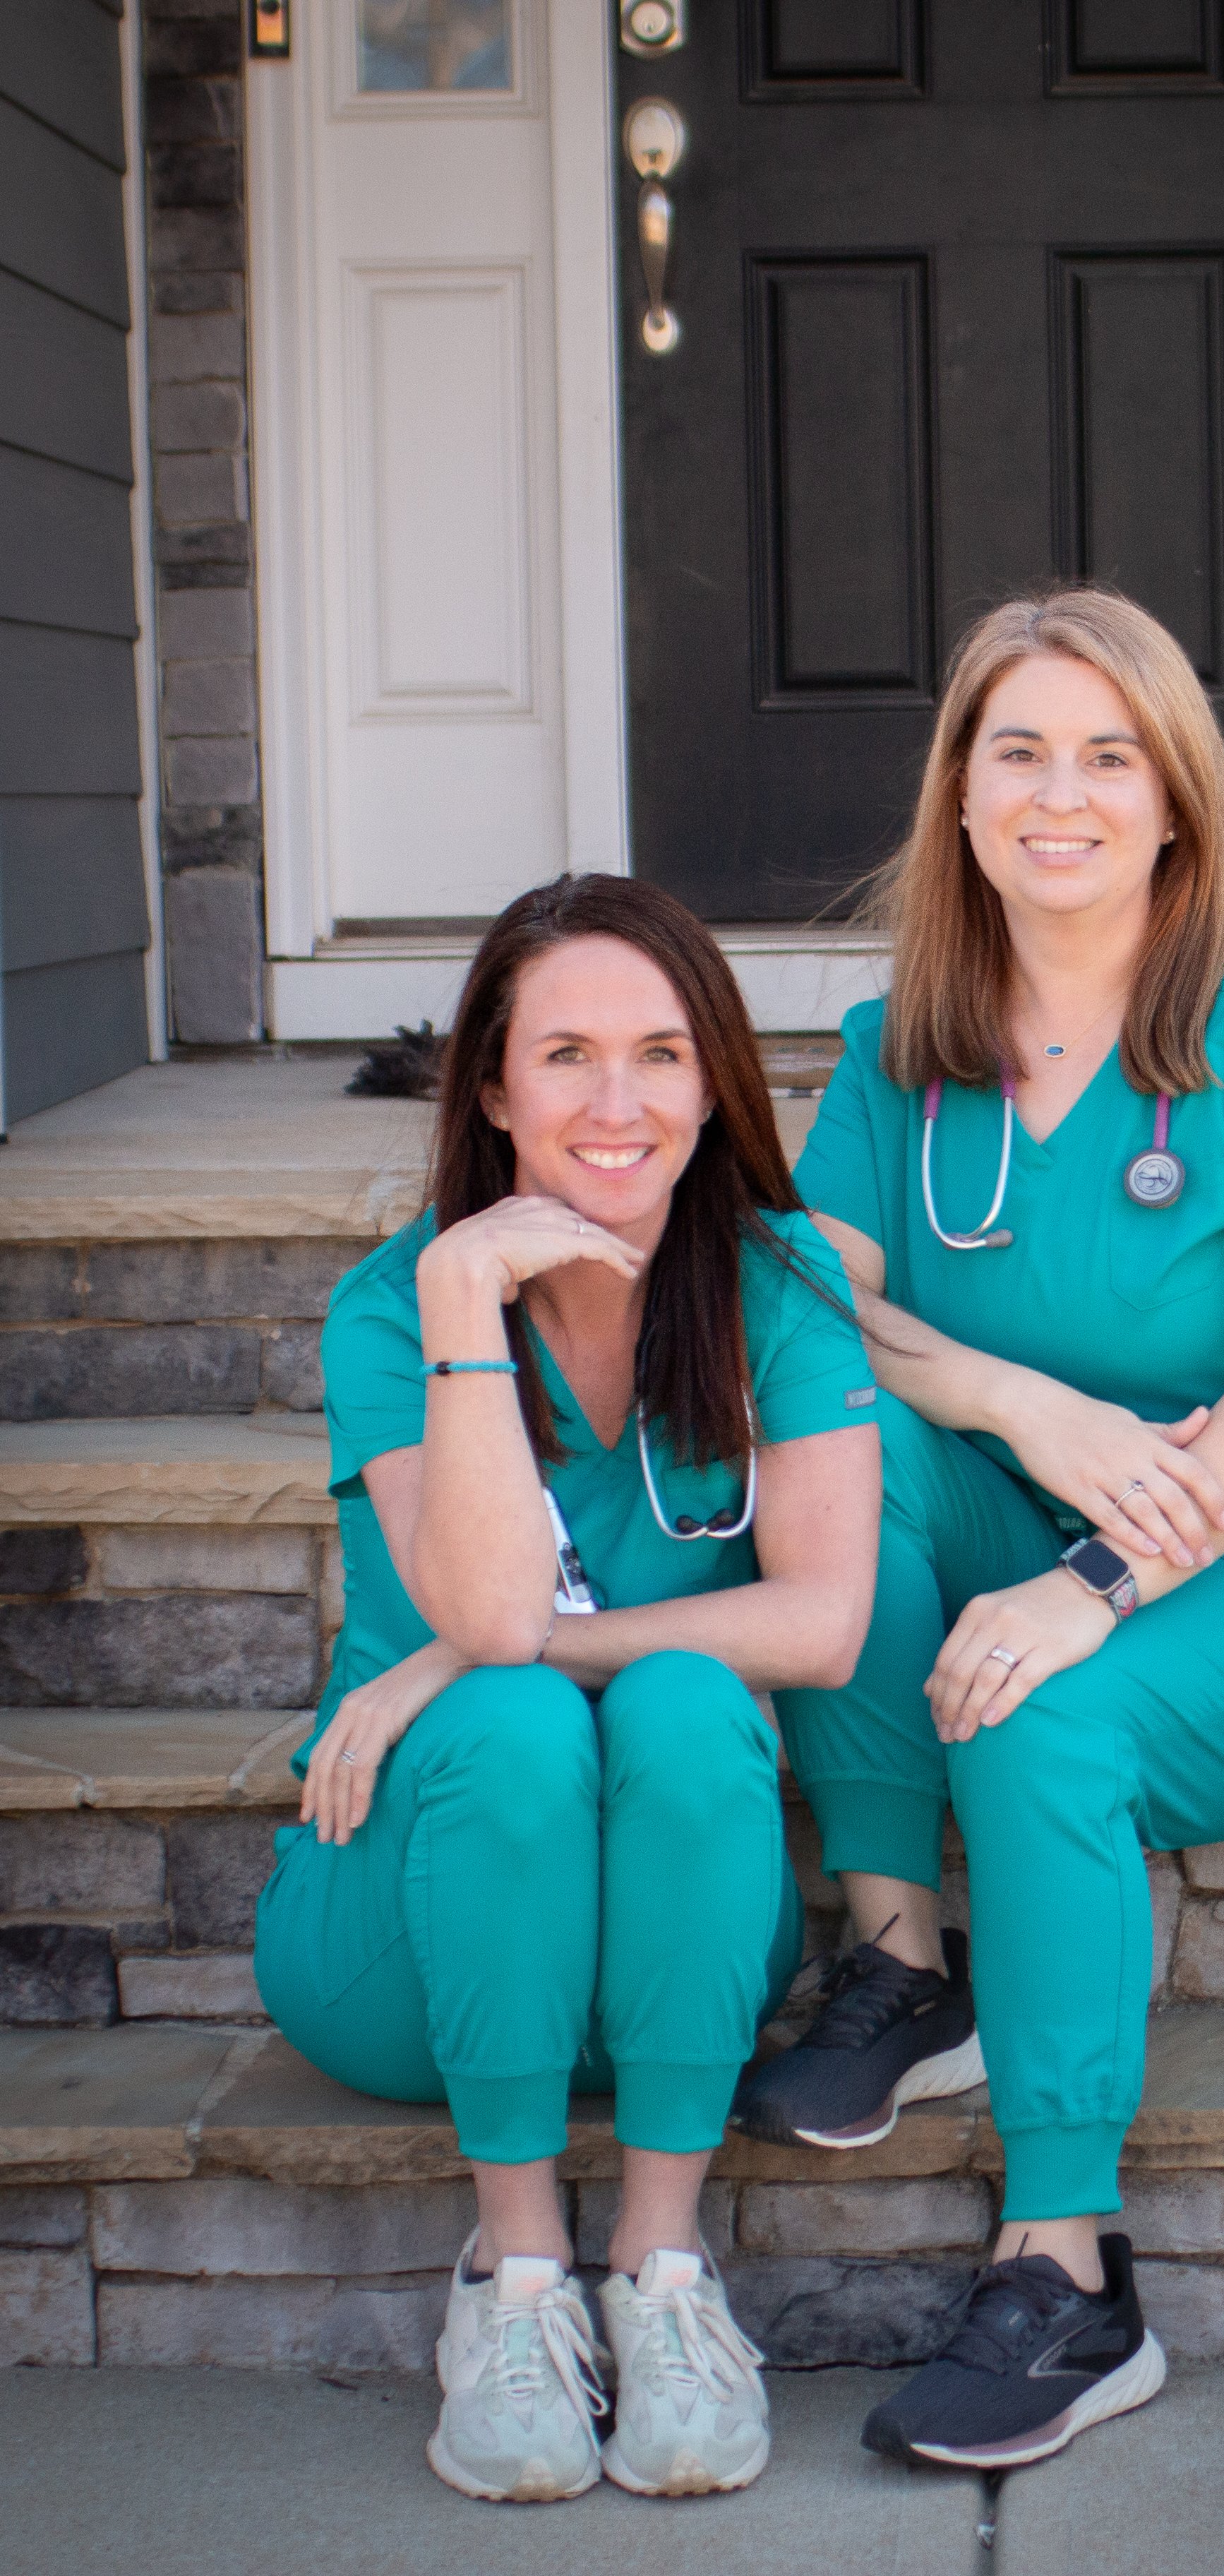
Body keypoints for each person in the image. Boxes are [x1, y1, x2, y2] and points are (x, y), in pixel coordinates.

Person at [733, 588, 1224, 2469]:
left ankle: (1069, 2270)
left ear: (1176, 803)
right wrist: (1017, 1402)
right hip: (1018, 1520)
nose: (1063, 794)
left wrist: (1095, 1580)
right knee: (846, 1440)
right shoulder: (905, 1043)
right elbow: (826, 1327)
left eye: (1109, 753)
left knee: (1048, 1709)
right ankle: (902, 1960)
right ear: (959, 796)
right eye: (1017, 749)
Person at [254, 875, 882, 2505]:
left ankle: (662, 2276)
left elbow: (818, 1625)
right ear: (492, 1087)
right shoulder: (400, 1304)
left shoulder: (778, 1281)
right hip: (410, 1939)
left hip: (672, 1947)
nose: (619, 1106)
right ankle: (517, 2284)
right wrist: (470, 1306)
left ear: (715, 1078)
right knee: (525, 1720)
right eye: (568, 1057)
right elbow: (486, 1603)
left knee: (678, 1700)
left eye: (662, 1055)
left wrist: (452, 1661)